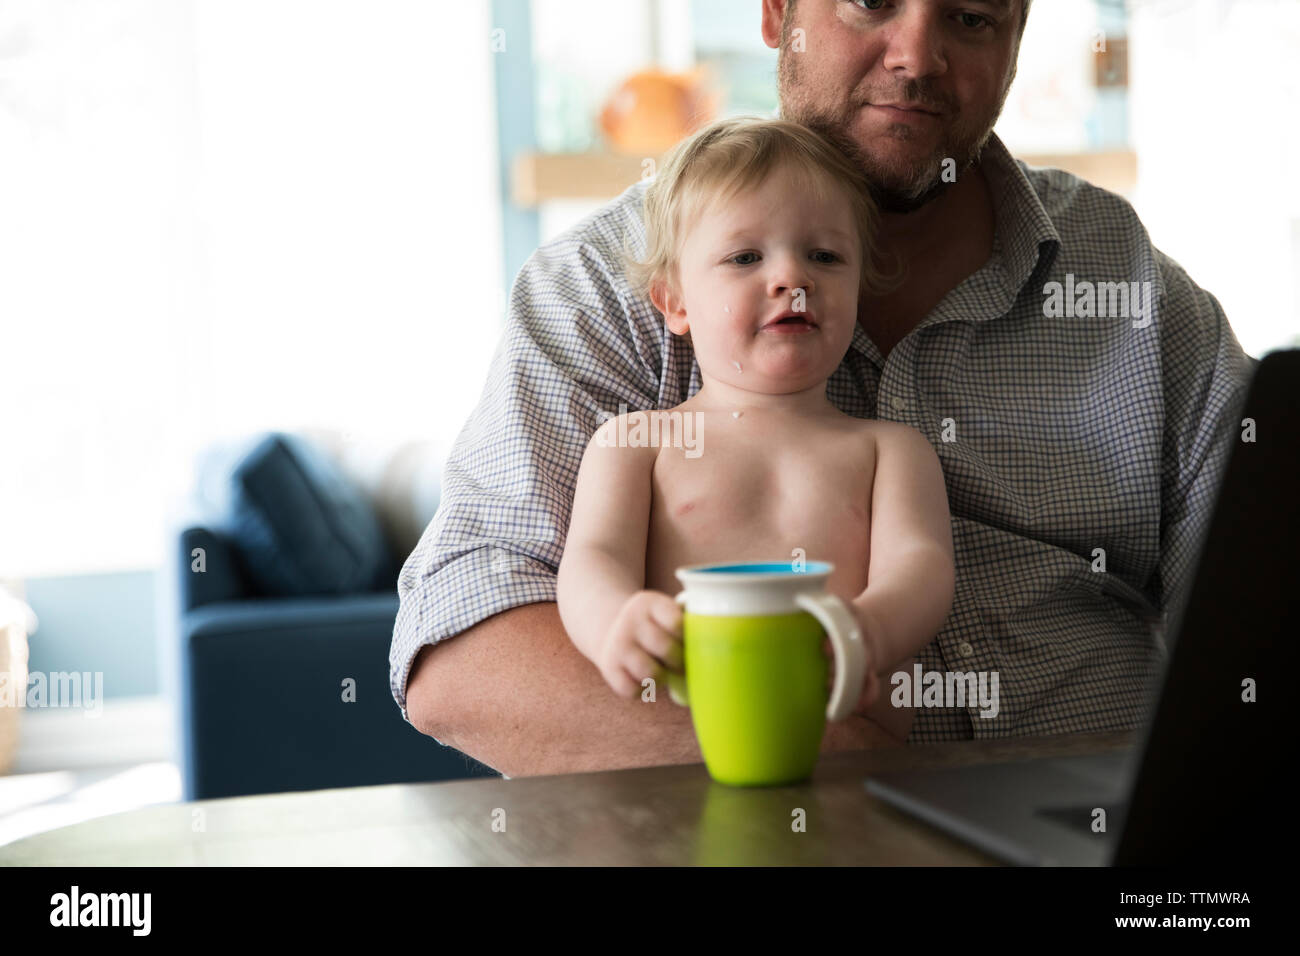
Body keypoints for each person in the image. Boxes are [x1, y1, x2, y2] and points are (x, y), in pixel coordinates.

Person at [390, 0, 1253, 777]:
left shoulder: (1121, 277)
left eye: (973, 18)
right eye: (872, 2)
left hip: (1100, 825)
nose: (918, 55)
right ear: (776, 14)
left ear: (1020, 36)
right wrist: (843, 780)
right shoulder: (607, 284)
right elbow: (461, 656)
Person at [555, 117, 954, 745]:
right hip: (689, 751)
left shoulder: (890, 451)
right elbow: (591, 558)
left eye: (825, 256)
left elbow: (922, 568)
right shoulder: (636, 444)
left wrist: (866, 632)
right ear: (675, 302)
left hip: (860, 765)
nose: (792, 279)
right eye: (745, 257)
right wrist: (616, 623)